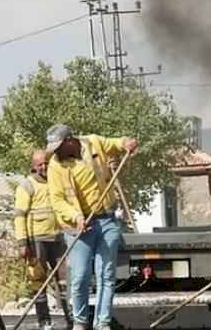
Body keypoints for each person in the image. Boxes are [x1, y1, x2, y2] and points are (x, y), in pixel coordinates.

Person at [45, 124, 138, 330]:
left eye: (59, 146)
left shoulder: (93, 142)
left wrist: (126, 143)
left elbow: (116, 143)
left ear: (70, 140)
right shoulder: (55, 166)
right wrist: (76, 217)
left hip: (107, 220)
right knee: (79, 277)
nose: (56, 151)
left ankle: (102, 322)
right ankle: (80, 322)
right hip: (78, 227)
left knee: (106, 274)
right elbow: (58, 200)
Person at [15, 150, 72, 330]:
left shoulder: (57, 181)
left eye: (46, 163)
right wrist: (23, 243)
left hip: (58, 238)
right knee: (38, 280)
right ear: (34, 166)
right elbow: (19, 216)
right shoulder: (27, 185)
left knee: (64, 281)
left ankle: (71, 319)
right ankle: (44, 321)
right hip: (36, 240)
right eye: (40, 164)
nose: (44, 167)